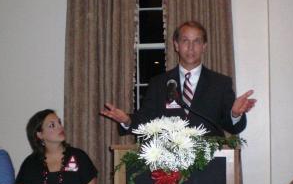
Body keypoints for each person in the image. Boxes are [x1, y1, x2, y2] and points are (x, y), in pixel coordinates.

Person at [101, 20, 256, 137]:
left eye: (197, 41)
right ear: (176, 45)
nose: (191, 47)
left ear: (204, 46)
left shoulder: (220, 84)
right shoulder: (159, 83)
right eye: (185, 41)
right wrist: (127, 120)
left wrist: (235, 114)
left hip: (209, 165)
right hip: (168, 168)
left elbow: (234, 128)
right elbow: (145, 121)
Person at [16, 109, 97, 184]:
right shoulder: (30, 163)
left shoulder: (79, 156)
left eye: (59, 122)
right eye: (52, 125)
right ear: (40, 134)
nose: (60, 127)